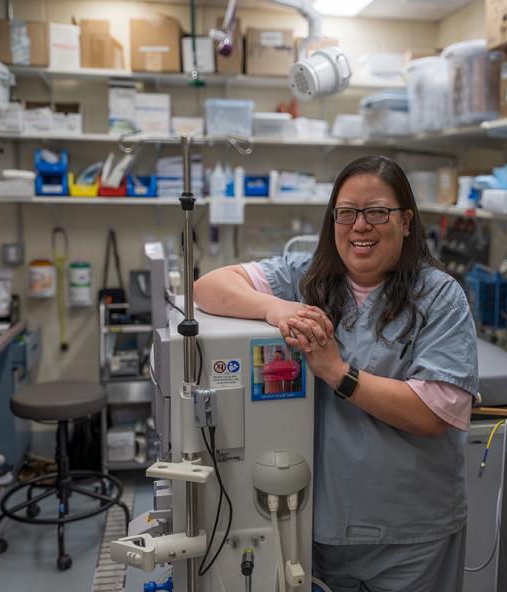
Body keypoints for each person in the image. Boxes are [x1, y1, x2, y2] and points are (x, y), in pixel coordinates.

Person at [194, 155, 478, 591]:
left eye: (377, 212)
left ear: (406, 222)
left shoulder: (438, 296)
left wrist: (338, 372)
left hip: (409, 535)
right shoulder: (307, 279)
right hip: (319, 526)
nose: (359, 225)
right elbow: (208, 287)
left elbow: (433, 414)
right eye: (346, 213)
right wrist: (275, 306)